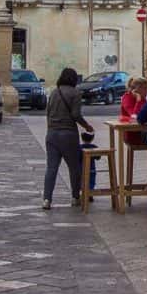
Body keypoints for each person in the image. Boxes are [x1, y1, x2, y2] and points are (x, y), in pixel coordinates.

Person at [43, 68, 95, 209]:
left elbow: (48, 113)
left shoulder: (54, 92)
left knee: (52, 168)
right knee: (74, 167)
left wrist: (51, 128)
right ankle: (74, 197)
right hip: (68, 134)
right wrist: (87, 126)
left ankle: (47, 199)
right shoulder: (75, 93)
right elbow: (76, 115)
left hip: (52, 134)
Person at [120, 76, 147, 146]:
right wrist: (138, 101)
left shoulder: (143, 98)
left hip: (143, 130)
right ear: (136, 89)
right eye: (145, 88)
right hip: (133, 135)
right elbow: (134, 116)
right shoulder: (127, 98)